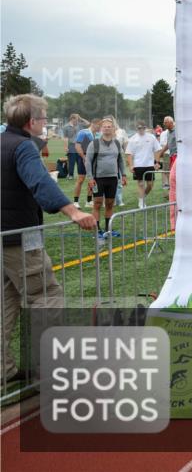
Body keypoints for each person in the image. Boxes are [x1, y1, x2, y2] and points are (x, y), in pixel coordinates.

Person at [2, 95, 96, 384]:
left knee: (6, 303)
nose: (46, 122)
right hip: (19, 238)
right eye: (44, 118)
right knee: (47, 297)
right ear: (32, 122)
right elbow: (40, 182)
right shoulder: (24, 147)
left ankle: (4, 371)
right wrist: (73, 211)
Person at [85, 117, 127, 240]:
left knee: (110, 204)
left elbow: (120, 160)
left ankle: (108, 229)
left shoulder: (117, 143)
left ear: (113, 128)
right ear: (101, 129)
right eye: (105, 127)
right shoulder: (95, 143)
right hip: (98, 179)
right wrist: (90, 178)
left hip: (113, 178)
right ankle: (97, 230)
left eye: (109, 126)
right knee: (97, 204)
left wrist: (123, 175)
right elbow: (88, 161)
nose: (107, 128)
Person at [126, 122, 160, 209]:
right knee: (141, 184)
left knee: (150, 184)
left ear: (145, 128)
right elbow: (129, 153)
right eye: (139, 128)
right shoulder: (133, 139)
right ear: (136, 129)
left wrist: (157, 162)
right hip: (138, 165)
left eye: (143, 128)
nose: (141, 130)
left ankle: (142, 196)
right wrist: (130, 165)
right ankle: (141, 202)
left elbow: (157, 150)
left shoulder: (151, 137)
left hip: (149, 164)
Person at [73, 119, 98, 209]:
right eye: (98, 125)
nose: (99, 127)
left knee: (91, 179)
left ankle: (89, 201)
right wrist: (84, 157)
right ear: (93, 124)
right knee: (81, 179)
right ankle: (75, 202)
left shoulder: (96, 135)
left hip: (92, 159)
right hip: (83, 157)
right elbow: (77, 146)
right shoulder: (83, 132)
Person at [157, 116, 177, 189]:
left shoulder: (178, 131)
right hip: (171, 156)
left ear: (171, 122)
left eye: (165, 122)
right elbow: (168, 144)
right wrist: (160, 153)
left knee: (174, 175)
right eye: (164, 122)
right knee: (172, 174)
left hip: (177, 156)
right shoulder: (168, 132)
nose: (164, 124)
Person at [61, 114, 81, 178]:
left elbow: (88, 123)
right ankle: (71, 175)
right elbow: (65, 138)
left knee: (79, 161)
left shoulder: (78, 125)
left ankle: (80, 174)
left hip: (79, 145)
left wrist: (81, 118)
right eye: (76, 120)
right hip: (71, 145)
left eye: (78, 120)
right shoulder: (66, 127)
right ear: (72, 119)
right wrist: (66, 147)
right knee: (71, 161)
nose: (77, 121)